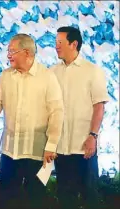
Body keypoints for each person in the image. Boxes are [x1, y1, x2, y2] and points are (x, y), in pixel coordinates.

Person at [0, 34, 64, 209]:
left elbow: (57, 113)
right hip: (10, 151)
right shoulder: (6, 76)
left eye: (12, 51)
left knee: (36, 199)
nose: (8, 55)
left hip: (38, 152)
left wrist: (51, 145)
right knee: (7, 198)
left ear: (26, 53)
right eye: (8, 51)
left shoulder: (47, 77)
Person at [51, 26, 109, 209]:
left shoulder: (93, 71)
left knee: (90, 196)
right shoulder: (52, 72)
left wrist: (93, 136)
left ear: (73, 44)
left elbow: (99, 106)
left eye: (60, 43)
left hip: (83, 147)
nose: (56, 47)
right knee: (64, 198)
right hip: (61, 148)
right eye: (55, 43)